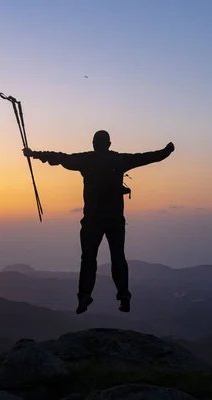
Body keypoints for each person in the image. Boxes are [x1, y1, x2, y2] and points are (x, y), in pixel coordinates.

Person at [23, 130, 175, 313]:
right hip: (114, 219)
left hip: (92, 220)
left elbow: (60, 158)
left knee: (88, 259)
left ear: (94, 144)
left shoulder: (86, 160)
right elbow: (147, 157)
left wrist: (34, 154)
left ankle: (84, 297)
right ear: (109, 144)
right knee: (118, 257)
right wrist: (166, 151)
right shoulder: (119, 160)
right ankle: (124, 295)